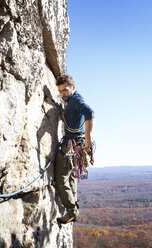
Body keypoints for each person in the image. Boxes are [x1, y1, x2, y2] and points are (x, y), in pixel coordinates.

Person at [54, 75, 95, 224]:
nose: (62, 93)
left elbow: (90, 112)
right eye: (60, 91)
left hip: (71, 145)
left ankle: (71, 212)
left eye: (65, 90)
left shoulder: (76, 100)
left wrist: (88, 138)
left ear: (73, 87)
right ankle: (74, 204)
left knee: (61, 180)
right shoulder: (71, 99)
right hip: (74, 144)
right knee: (70, 176)